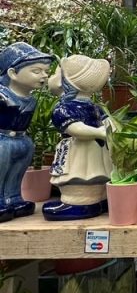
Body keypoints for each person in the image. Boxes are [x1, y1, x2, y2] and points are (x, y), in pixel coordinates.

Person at [43, 55, 112, 221]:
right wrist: (102, 132)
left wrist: (101, 132)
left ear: (66, 81)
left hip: (80, 150)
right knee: (94, 172)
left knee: (79, 175)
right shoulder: (93, 106)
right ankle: (98, 200)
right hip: (96, 147)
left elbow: (74, 128)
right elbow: (77, 128)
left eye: (55, 73)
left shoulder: (65, 107)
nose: (50, 78)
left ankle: (78, 203)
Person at [0, 42, 54, 221]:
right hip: (2, 140)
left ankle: (14, 198)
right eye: (36, 71)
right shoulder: (2, 95)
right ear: (13, 73)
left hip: (22, 139)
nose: (44, 76)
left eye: (46, 71)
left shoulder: (29, 99)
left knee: (17, 171)